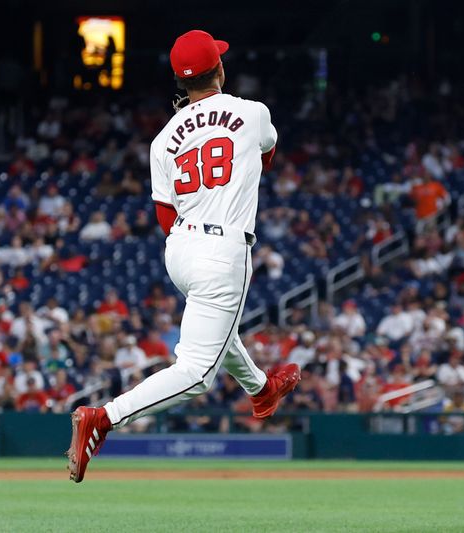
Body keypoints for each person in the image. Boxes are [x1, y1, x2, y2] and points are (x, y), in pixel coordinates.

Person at [67, 29, 301, 483]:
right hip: (223, 244)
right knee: (197, 372)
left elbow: (163, 213)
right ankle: (104, 417)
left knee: (217, 329)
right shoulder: (252, 113)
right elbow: (266, 157)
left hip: (180, 249)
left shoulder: (161, 139)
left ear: (179, 82)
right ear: (220, 69)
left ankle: (262, 390)